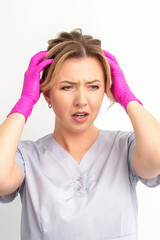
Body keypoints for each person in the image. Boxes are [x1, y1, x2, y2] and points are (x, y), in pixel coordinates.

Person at [0, 28, 160, 240]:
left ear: (106, 89)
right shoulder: (26, 157)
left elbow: (155, 158)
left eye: (93, 86)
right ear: (47, 93)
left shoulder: (126, 146)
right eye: (67, 87)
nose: (81, 100)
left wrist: (127, 97)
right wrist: (24, 104)